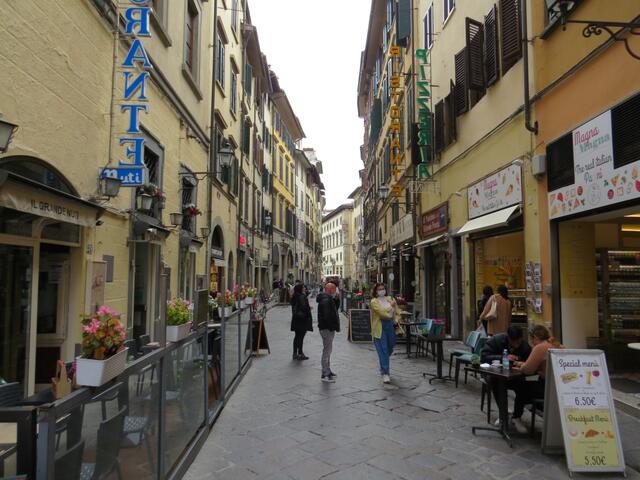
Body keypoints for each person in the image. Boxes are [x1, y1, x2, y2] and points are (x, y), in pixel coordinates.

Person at [510, 324, 562, 433]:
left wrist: (521, 366)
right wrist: (523, 364)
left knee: (520, 383)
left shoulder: (540, 347)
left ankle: (516, 417)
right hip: (555, 385)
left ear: (535, 337)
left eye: (531, 339)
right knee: (525, 381)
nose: (532, 342)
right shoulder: (554, 345)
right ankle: (521, 413)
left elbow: (527, 370)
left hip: (545, 386)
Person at [481, 326, 532, 425]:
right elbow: (484, 357)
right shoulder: (496, 340)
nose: (516, 345)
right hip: (495, 375)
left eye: (518, 342)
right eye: (514, 342)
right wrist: (503, 357)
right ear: (508, 337)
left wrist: (520, 363)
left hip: (514, 377)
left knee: (524, 385)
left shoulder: (525, 346)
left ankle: (517, 416)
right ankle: (503, 414)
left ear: (521, 338)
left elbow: (528, 362)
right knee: (496, 382)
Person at [369, 282, 401, 384]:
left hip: (390, 326)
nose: (381, 291)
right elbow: (382, 313)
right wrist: (391, 307)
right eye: (379, 289)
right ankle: (386, 373)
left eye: (383, 289)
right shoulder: (374, 301)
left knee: (390, 347)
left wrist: (396, 319)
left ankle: (383, 365)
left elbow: (397, 312)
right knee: (383, 350)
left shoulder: (390, 299)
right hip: (380, 327)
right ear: (376, 291)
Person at [316, 282, 341, 383]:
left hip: (327, 328)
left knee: (328, 350)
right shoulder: (326, 300)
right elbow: (327, 316)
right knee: (327, 351)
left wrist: (337, 300)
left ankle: (328, 370)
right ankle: (325, 374)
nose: (336, 291)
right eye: (334, 289)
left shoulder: (328, 299)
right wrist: (332, 327)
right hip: (327, 329)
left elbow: (334, 309)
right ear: (330, 290)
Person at [290, 283, 313, 360]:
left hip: (296, 319)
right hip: (302, 319)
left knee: (297, 336)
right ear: (300, 289)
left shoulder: (294, 296)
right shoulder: (302, 296)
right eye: (303, 287)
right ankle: (300, 353)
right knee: (301, 337)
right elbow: (304, 308)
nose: (304, 288)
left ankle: (295, 353)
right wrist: (308, 309)